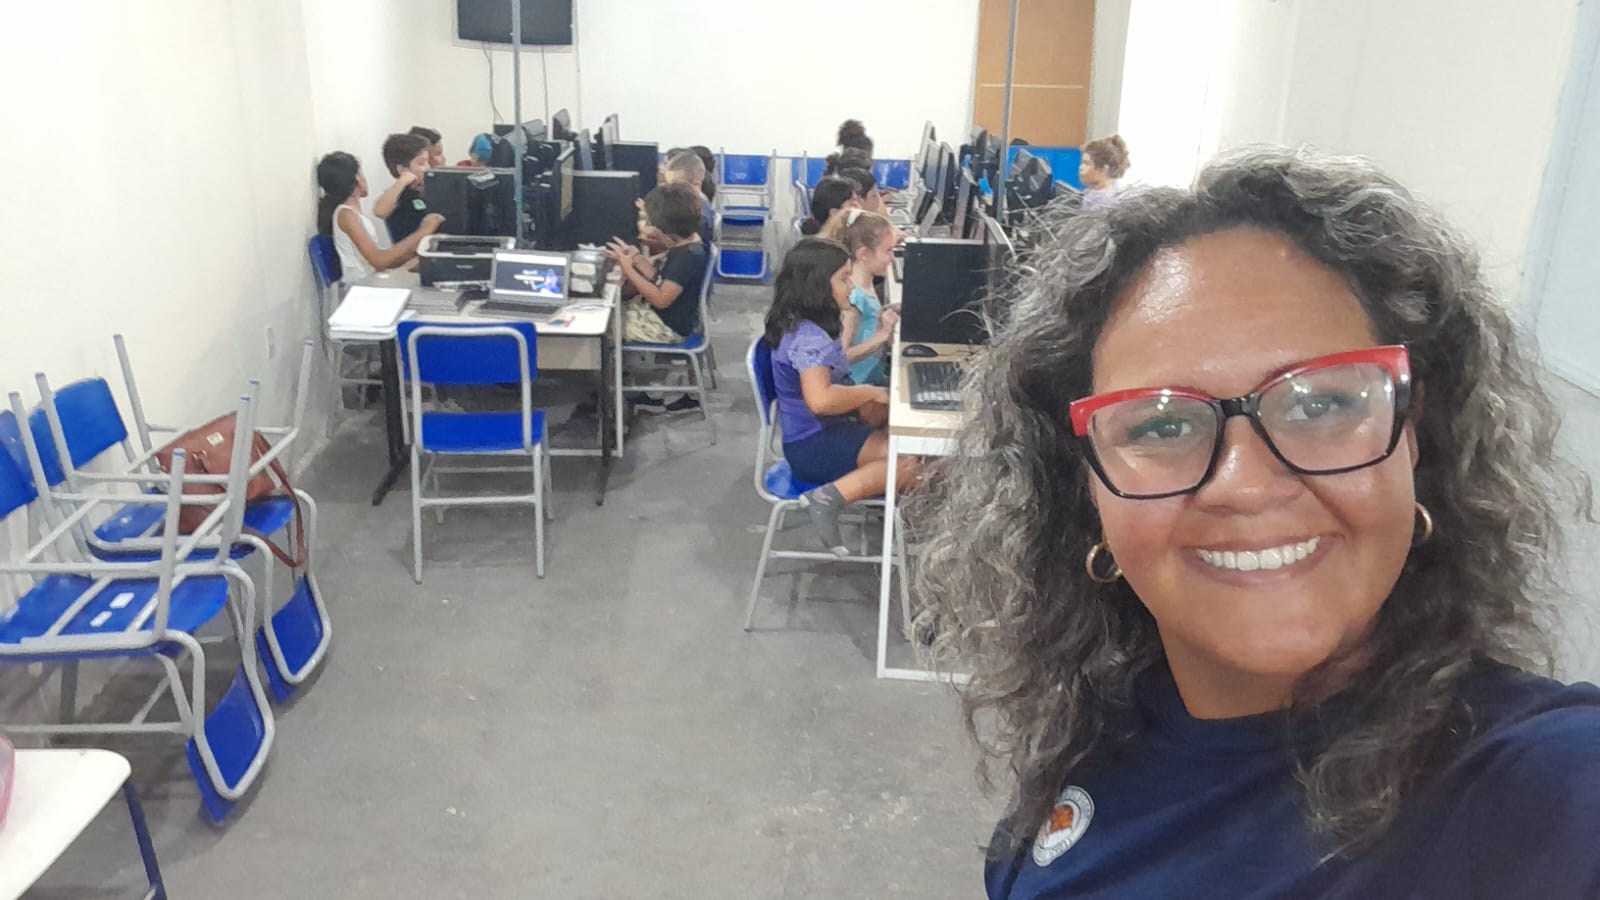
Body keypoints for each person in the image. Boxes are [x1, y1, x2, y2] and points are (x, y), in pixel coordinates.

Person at [912, 145, 1600, 898]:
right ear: (1087, 490)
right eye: (1163, 425)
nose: (1244, 484)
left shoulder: (1538, 789)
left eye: (1322, 404)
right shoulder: (1102, 729)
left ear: (1413, 436)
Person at [765, 239, 916, 554]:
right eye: (844, 279)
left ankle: (873, 493)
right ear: (818, 286)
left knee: (905, 438)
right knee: (915, 463)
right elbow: (820, 400)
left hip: (818, 434)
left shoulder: (807, 325)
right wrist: (871, 391)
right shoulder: (808, 338)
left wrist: (881, 336)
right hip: (813, 446)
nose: (852, 287)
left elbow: (836, 366)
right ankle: (827, 497)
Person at [605, 182, 710, 415]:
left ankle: (606, 400)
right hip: (663, 319)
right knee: (612, 310)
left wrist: (628, 269)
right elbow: (661, 279)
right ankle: (622, 387)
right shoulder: (685, 246)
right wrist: (637, 261)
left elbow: (662, 298)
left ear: (664, 231)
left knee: (601, 332)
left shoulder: (689, 257)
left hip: (667, 327)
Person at [315, 151, 441, 280]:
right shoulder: (346, 215)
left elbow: (385, 261)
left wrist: (417, 252)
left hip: (372, 281)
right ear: (357, 178)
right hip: (362, 287)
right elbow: (380, 261)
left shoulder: (351, 214)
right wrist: (423, 231)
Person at [837, 209, 899, 386]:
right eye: (888, 251)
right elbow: (841, 357)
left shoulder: (866, 284)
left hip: (871, 379)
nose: (892, 259)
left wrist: (884, 314)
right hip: (857, 388)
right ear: (864, 254)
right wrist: (883, 334)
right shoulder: (854, 298)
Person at [374, 133, 433, 242]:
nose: (427, 168)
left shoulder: (428, 189)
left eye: (427, 162)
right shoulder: (397, 194)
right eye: (421, 163)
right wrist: (403, 181)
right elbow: (379, 211)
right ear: (402, 169)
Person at [1078, 134, 1130, 207]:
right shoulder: (1090, 195)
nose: (1081, 167)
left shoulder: (1104, 203)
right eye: (1082, 163)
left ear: (1103, 170)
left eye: (1087, 163)